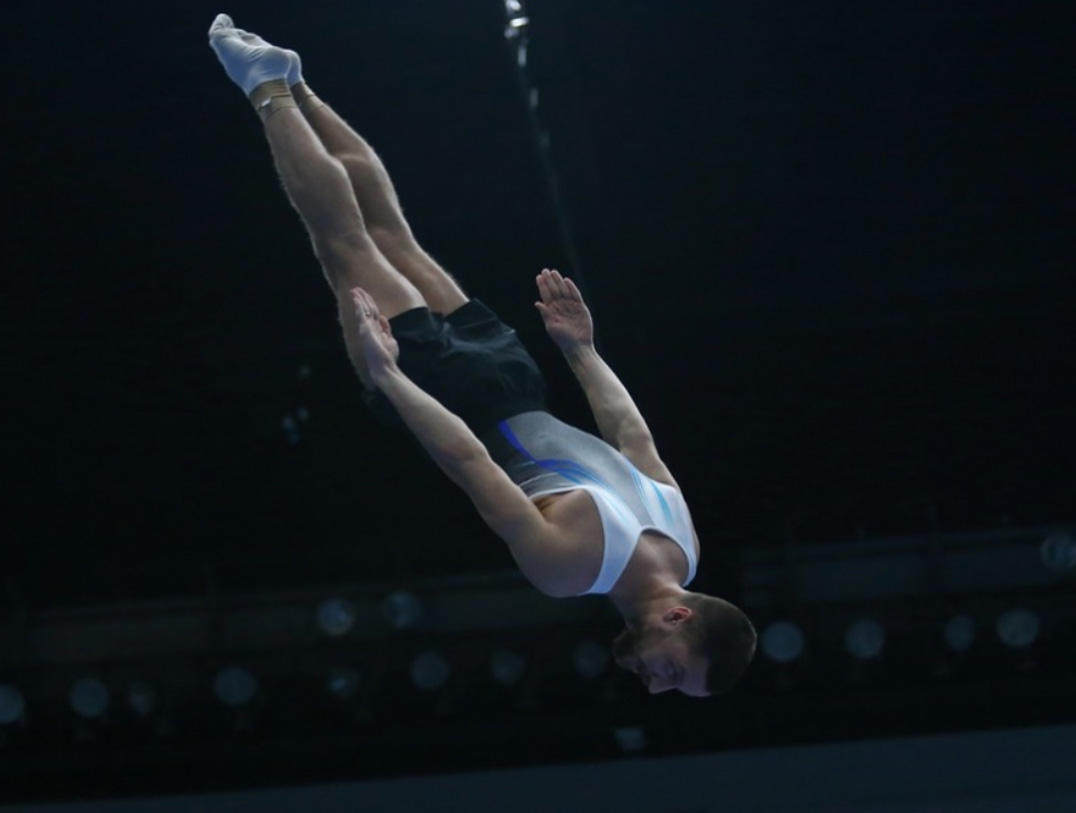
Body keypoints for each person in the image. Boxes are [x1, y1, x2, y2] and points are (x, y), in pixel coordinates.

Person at [207, 14, 756, 696]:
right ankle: (268, 90)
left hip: (517, 377)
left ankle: (299, 84)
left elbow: (631, 435)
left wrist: (580, 351)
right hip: (454, 394)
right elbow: (469, 462)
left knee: (393, 235)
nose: (653, 681)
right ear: (679, 615)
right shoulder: (572, 572)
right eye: (673, 669)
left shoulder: (686, 545)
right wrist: (391, 379)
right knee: (342, 240)